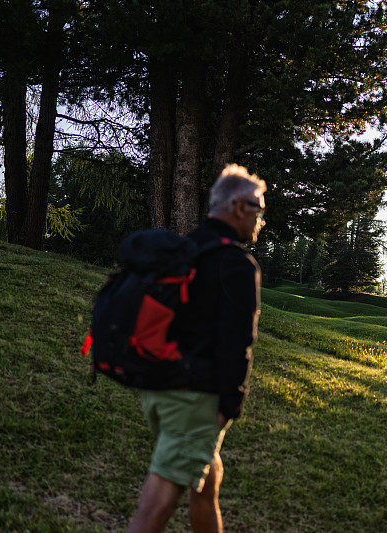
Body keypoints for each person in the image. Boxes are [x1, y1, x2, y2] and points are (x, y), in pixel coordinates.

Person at [128, 164, 265, 533]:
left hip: (158, 389)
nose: (260, 219)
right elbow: (238, 342)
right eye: (258, 208)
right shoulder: (235, 263)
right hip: (192, 398)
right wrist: (230, 404)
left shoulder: (184, 249)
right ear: (238, 206)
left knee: (208, 479)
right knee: (156, 505)